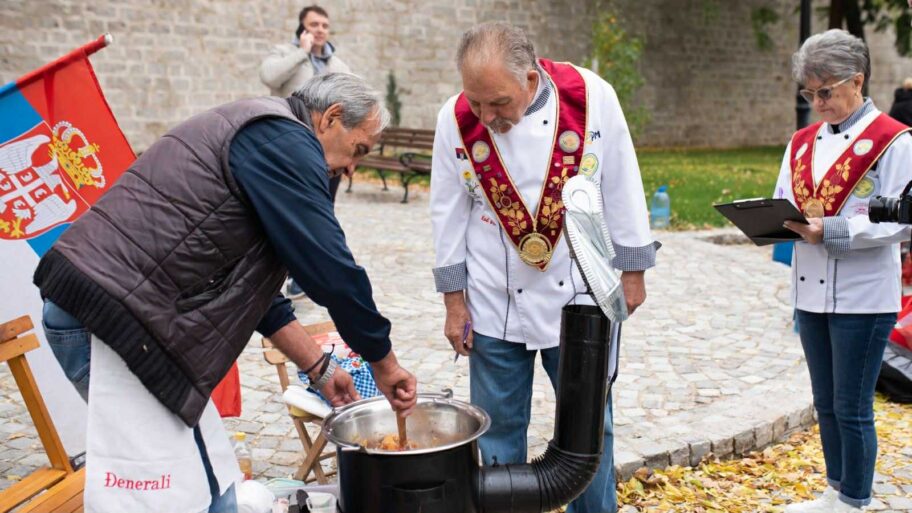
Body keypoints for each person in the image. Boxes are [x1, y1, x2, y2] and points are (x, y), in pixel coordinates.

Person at [34, 72, 417, 513]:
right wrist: (384, 363)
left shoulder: (268, 137)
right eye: (358, 151)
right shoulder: (283, 142)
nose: (352, 169)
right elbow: (332, 271)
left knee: (207, 479)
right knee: (180, 493)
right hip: (114, 320)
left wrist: (319, 368)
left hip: (112, 314)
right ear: (331, 118)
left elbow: (255, 296)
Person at [430, 23, 658, 513]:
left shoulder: (592, 97)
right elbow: (446, 210)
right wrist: (454, 300)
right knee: (495, 431)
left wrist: (633, 270)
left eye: (499, 104)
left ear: (530, 79)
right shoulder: (455, 117)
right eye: (477, 103)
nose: (487, 117)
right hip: (493, 299)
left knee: (590, 429)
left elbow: (621, 179)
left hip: (577, 291)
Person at [775, 29, 912, 513]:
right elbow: (785, 200)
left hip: (863, 294)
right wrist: (771, 221)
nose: (816, 102)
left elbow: (902, 223)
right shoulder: (801, 141)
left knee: (853, 408)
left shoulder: (895, 141)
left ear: (857, 81)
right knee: (826, 402)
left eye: (825, 91)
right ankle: (836, 490)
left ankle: (857, 500)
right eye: (808, 93)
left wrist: (834, 231)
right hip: (810, 289)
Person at [260, 5, 352, 298]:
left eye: (324, 25)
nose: (320, 29)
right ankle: (273, 274)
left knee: (321, 213)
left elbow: (350, 113)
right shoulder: (284, 55)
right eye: (314, 24)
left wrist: (349, 155)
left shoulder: (339, 67)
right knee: (285, 211)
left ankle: (305, 276)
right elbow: (269, 78)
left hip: (327, 156)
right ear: (302, 29)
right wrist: (301, 52)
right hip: (289, 149)